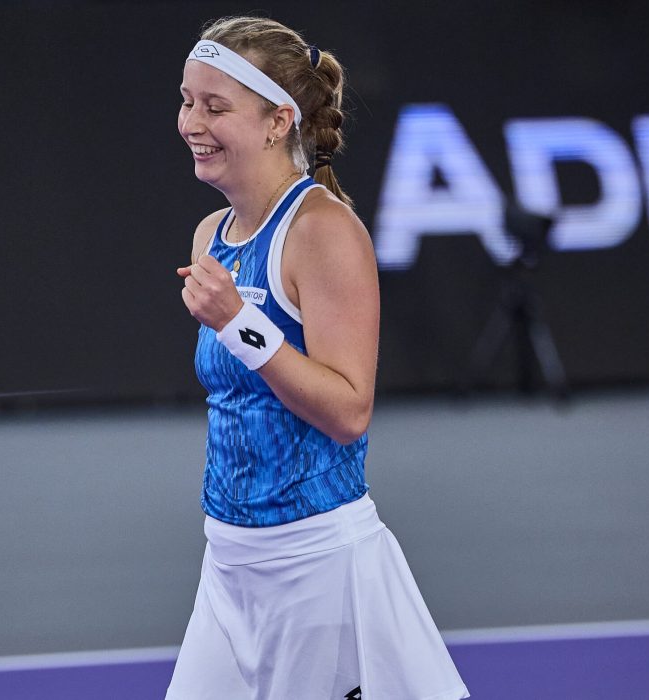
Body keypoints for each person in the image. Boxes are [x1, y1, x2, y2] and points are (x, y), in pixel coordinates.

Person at [168, 16, 469, 700]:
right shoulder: (211, 233)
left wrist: (241, 323)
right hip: (228, 566)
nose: (192, 122)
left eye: (216, 107)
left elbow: (348, 411)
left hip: (319, 573)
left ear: (278, 122)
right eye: (187, 100)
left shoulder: (325, 231)